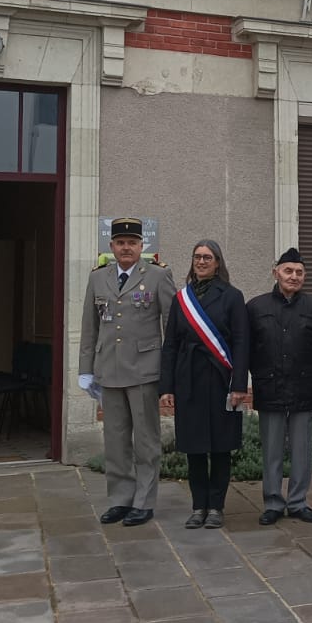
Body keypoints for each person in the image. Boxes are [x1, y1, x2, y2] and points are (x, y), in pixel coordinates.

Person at [78, 217, 176, 527]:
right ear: (112, 246)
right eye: (120, 243)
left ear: (141, 246)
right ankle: (120, 499)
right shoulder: (98, 278)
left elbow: (171, 328)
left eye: (132, 243)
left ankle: (143, 502)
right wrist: (85, 370)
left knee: (146, 441)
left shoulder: (159, 277)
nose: (126, 248)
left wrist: (170, 371)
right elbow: (89, 327)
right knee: (115, 440)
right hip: (109, 371)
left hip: (145, 371)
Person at [160, 240, 250, 529]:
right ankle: (198, 506)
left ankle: (216, 507)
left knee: (221, 447)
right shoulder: (181, 298)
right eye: (197, 257)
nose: (201, 262)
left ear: (218, 262)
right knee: (194, 447)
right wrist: (167, 387)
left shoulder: (233, 296)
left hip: (221, 380)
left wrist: (239, 385)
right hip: (188, 380)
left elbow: (241, 342)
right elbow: (170, 345)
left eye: (207, 257)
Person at [247, 247, 312, 526]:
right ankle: (272, 501)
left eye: (299, 272)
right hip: (269, 386)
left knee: (301, 449)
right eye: (288, 271)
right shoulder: (256, 307)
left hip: (303, 386)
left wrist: (307, 372)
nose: (293, 276)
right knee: (271, 448)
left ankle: (297, 502)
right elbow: (250, 348)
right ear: (275, 272)